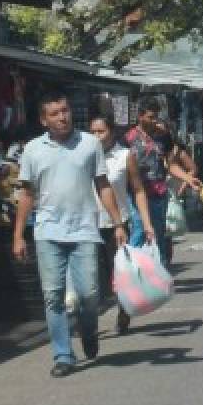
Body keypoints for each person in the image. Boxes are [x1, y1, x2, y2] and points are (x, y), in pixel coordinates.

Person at [13, 90, 132, 378]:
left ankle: (88, 331)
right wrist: (18, 235)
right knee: (53, 296)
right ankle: (63, 354)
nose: (62, 117)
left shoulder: (89, 144)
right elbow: (26, 194)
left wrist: (118, 223)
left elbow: (103, 185)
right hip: (47, 232)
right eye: (54, 113)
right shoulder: (32, 150)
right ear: (44, 120)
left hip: (84, 231)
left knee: (89, 295)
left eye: (65, 111)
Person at [88, 115, 156, 334]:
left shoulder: (125, 156)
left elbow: (138, 190)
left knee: (119, 275)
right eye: (92, 132)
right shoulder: (84, 157)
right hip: (88, 224)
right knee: (91, 277)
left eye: (101, 131)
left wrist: (147, 224)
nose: (96, 136)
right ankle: (89, 321)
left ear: (112, 132)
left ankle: (123, 311)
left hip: (116, 224)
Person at [125, 99, 201, 268]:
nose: (154, 121)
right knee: (139, 230)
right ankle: (130, 271)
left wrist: (187, 178)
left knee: (159, 233)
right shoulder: (128, 138)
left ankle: (159, 270)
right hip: (136, 193)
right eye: (150, 117)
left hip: (159, 193)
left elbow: (171, 164)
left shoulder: (163, 136)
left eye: (156, 117)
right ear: (140, 116)